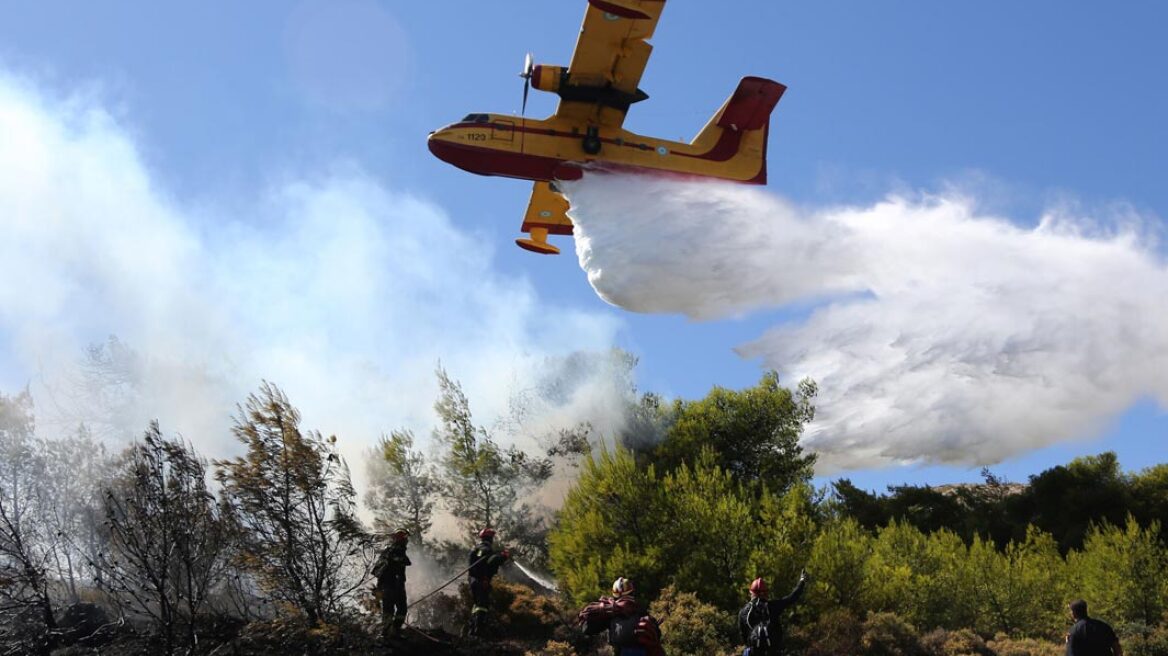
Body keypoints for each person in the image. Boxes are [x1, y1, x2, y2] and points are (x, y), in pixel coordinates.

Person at [577, 577, 665, 656]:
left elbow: (587, 629)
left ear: (615, 595)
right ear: (632, 592)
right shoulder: (640, 610)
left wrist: (601, 611)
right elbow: (657, 635)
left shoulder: (611, 614)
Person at [738, 569, 808, 656]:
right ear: (766, 593)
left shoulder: (743, 612)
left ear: (752, 593)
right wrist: (802, 581)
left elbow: (744, 637)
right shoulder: (773, 606)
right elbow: (792, 597)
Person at [467, 527, 510, 636]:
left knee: (477, 604)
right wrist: (503, 557)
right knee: (483, 605)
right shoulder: (486, 550)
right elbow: (491, 562)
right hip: (482, 581)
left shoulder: (475, 549)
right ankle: (479, 630)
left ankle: (472, 630)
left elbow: (475, 565)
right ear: (490, 538)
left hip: (472, 581)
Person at [373, 529, 411, 639]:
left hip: (393, 585)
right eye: (404, 538)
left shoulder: (389, 551)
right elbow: (402, 561)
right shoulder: (394, 551)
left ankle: (392, 632)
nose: (406, 540)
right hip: (391, 585)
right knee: (392, 610)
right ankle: (387, 634)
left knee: (399, 610)